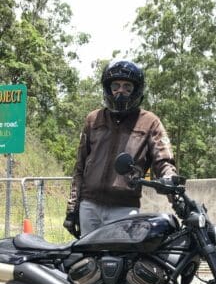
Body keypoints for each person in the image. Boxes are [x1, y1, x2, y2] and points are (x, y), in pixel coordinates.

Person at [63, 59, 176, 237]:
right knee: (86, 261)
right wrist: (72, 207)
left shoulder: (149, 121)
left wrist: (171, 182)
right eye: (115, 86)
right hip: (89, 205)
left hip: (124, 208)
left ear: (136, 90)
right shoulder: (93, 119)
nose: (120, 91)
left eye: (127, 86)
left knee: (121, 261)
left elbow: (164, 160)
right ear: (108, 89)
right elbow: (80, 166)